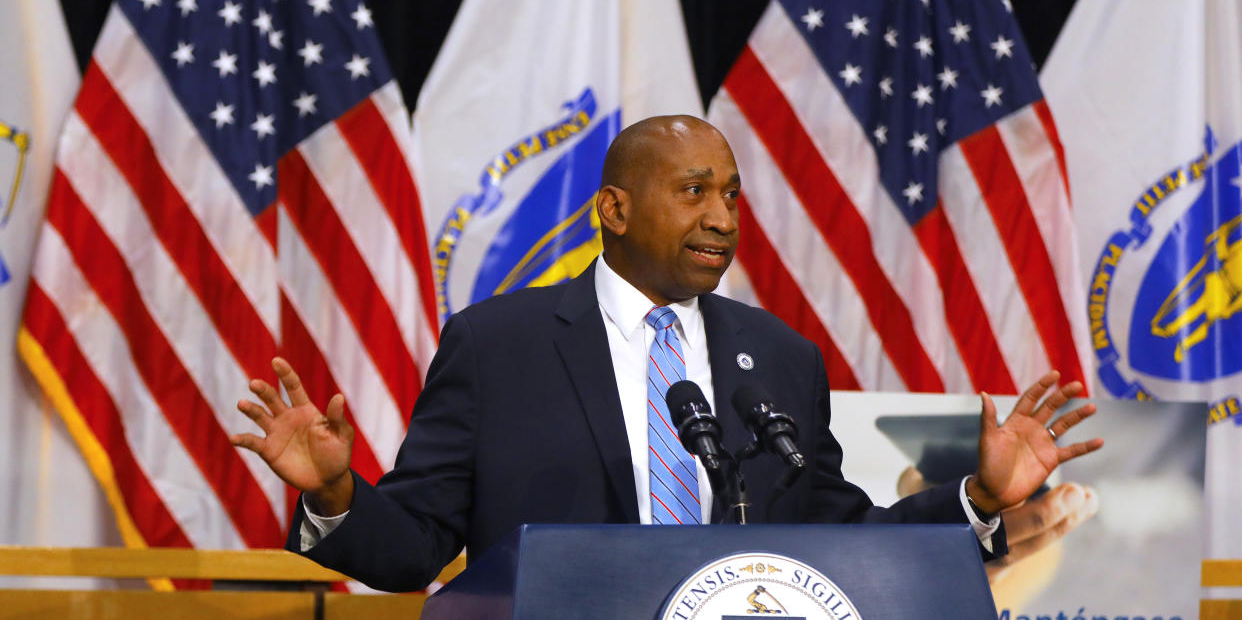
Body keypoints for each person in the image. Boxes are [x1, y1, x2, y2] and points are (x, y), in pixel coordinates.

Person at [231, 115, 1102, 593]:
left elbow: (835, 537)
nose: (722, 217)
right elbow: (414, 549)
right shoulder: (498, 345)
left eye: (730, 195)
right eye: (693, 193)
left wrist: (980, 496)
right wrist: (338, 494)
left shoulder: (781, 355)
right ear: (613, 208)